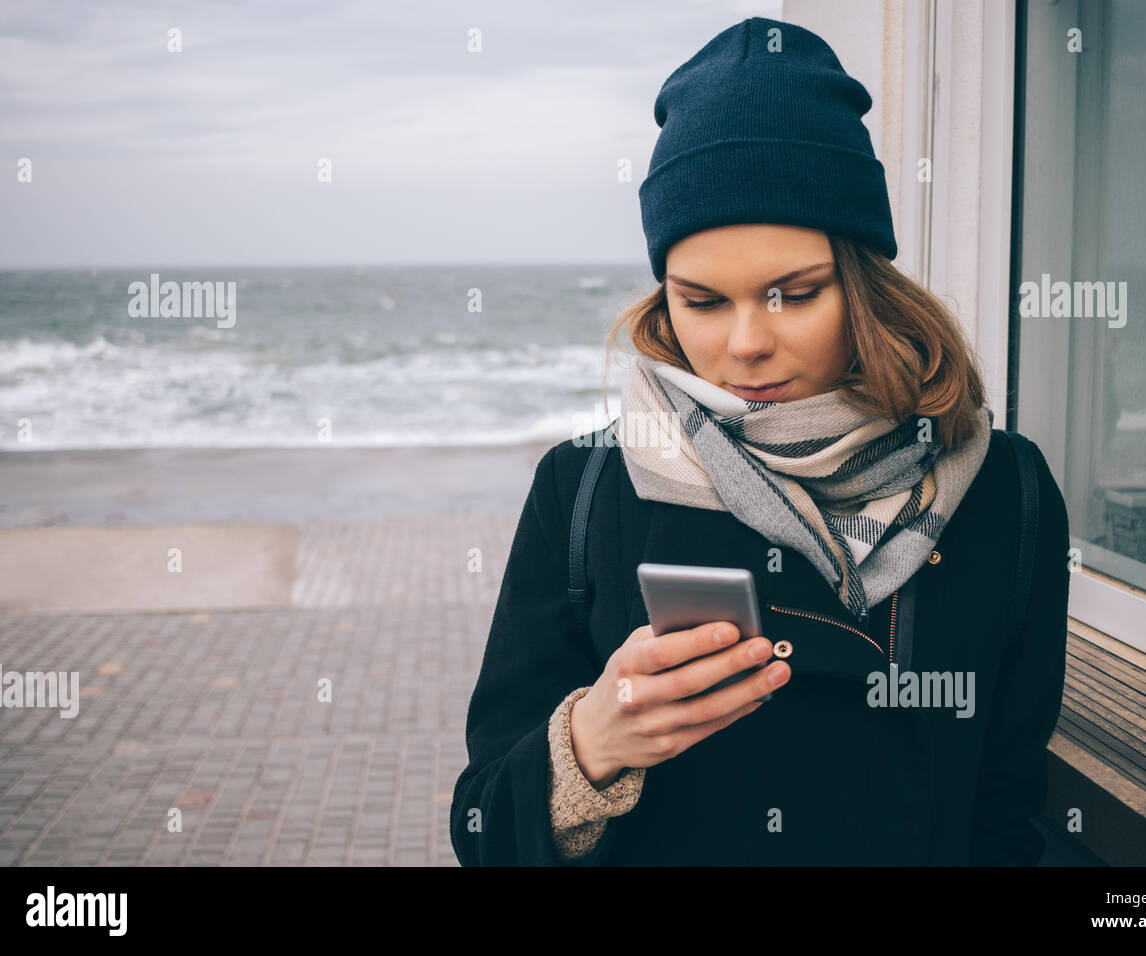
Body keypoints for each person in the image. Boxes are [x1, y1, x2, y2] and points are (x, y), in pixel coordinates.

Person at [450, 15, 1070, 866]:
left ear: (863, 283)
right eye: (701, 301)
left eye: (794, 293)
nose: (744, 344)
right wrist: (588, 745)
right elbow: (484, 828)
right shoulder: (586, 487)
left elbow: (1008, 813)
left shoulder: (1007, 489)